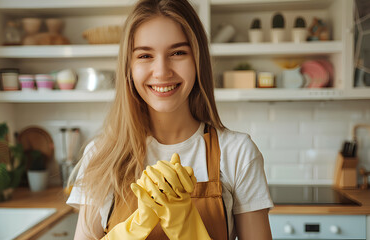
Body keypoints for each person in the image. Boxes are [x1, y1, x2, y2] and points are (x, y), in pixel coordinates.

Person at [66, 0, 274, 239]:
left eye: (178, 53)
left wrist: (190, 229)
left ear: (197, 60)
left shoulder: (237, 153)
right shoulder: (101, 156)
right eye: (145, 55)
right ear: (129, 68)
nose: (162, 71)